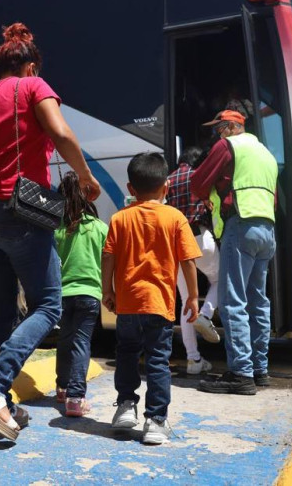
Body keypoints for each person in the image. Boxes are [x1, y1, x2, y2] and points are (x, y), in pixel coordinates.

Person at [0, 22, 101, 440]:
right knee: (49, 305)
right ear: (30, 66)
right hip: (22, 206)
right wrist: (84, 178)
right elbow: (61, 131)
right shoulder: (33, 87)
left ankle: (2, 405)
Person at [101, 152, 201, 445]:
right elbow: (188, 261)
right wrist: (193, 297)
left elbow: (108, 256)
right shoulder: (175, 218)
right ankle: (155, 421)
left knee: (127, 353)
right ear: (166, 187)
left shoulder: (120, 218)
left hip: (128, 304)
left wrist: (107, 291)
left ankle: (125, 406)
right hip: (159, 304)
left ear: (131, 189)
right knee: (158, 360)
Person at [190, 109, 278, 395]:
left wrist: (211, 195)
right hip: (267, 230)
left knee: (233, 301)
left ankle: (240, 373)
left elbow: (197, 183)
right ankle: (259, 369)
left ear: (230, 127)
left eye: (219, 129)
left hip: (240, 226)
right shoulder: (266, 153)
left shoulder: (228, 146)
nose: (217, 135)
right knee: (258, 301)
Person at [53, 171, 108, 417]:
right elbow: (108, 261)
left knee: (65, 341)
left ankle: (63, 388)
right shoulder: (99, 228)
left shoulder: (56, 229)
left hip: (62, 294)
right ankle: (76, 398)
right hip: (89, 295)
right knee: (81, 343)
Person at [165, 146, 221, 376]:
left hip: (176, 243)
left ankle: (193, 360)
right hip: (199, 237)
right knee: (220, 280)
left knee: (187, 299)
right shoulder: (200, 175)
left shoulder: (167, 180)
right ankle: (206, 314)